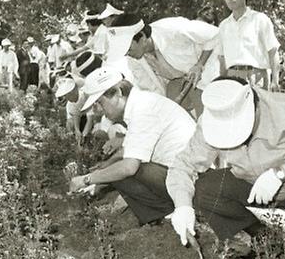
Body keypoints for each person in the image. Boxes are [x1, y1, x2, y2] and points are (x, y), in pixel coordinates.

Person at [166, 78, 285, 259]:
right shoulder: (212, 120)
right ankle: (266, 239)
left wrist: (281, 173)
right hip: (249, 185)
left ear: (254, 106)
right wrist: (182, 207)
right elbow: (183, 165)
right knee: (206, 187)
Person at [69, 68, 196, 226]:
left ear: (117, 93)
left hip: (188, 180)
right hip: (180, 173)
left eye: (100, 103)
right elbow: (132, 148)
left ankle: (165, 211)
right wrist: (99, 181)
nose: (99, 111)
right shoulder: (140, 104)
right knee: (114, 170)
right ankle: (163, 214)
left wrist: (86, 179)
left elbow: (128, 167)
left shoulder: (143, 109)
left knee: (123, 170)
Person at [110, 14, 218, 108]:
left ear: (142, 37)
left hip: (208, 74)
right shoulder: (134, 59)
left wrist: (199, 64)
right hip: (181, 83)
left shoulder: (172, 29)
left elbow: (214, 34)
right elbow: (150, 89)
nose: (127, 54)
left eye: (128, 49)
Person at [213, 0, 280, 89]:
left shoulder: (260, 19)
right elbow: (222, 58)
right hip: (232, 77)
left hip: (256, 76)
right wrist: (222, 81)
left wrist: (275, 81)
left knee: (256, 106)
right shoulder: (224, 26)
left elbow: (273, 51)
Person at [55, 76, 95, 145]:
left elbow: (90, 120)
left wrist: (83, 136)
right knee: (71, 124)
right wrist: (77, 130)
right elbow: (75, 116)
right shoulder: (70, 104)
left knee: (93, 132)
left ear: (74, 91)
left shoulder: (86, 96)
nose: (66, 98)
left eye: (68, 95)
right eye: (65, 95)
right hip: (82, 117)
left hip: (95, 117)